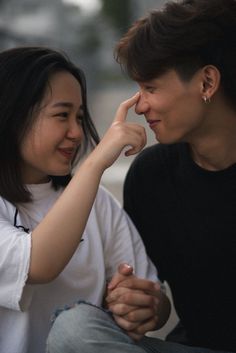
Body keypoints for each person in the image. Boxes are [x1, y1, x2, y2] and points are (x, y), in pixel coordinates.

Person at [0, 46, 170, 353]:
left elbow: (156, 306)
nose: (77, 132)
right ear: (12, 115)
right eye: (62, 115)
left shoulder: (97, 202)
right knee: (72, 327)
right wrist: (97, 161)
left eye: (79, 116)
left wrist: (143, 305)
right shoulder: (88, 185)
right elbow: (38, 264)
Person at [115, 0, 236, 352]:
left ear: (207, 82)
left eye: (150, 88)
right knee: (74, 330)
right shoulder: (152, 175)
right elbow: (154, 292)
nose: (139, 106)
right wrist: (144, 304)